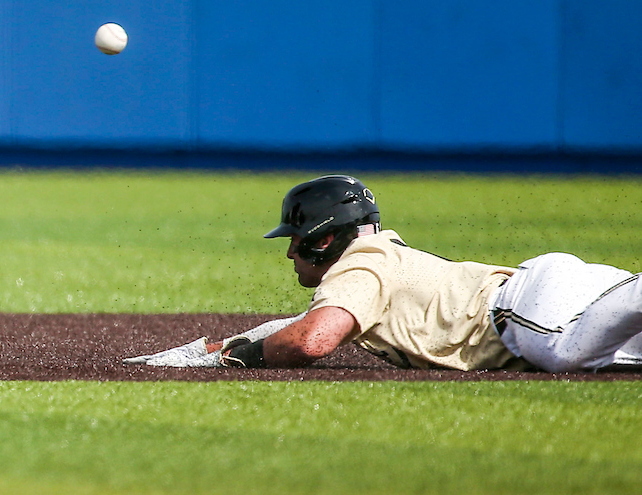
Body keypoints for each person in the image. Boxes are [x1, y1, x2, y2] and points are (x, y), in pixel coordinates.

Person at [130, 175, 642, 372]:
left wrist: (240, 359)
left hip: (527, 311)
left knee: (566, 351)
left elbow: (312, 340)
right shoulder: (375, 263)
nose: (290, 255)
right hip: (560, 295)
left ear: (323, 236)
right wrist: (213, 349)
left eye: (293, 239)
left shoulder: (361, 263)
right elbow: (307, 322)